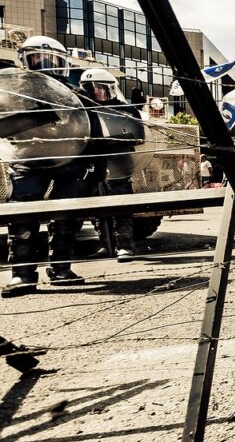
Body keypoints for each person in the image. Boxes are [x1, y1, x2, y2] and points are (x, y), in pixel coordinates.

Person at [3, 36, 95, 297]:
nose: (44, 64)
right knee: (22, 216)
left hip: (71, 159)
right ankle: (22, 275)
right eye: (36, 58)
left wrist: (95, 165)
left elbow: (92, 129)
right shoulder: (13, 91)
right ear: (25, 61)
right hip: (27, 157)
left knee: (66, 216)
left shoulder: (75, 92)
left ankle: (61, 270)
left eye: (51, 59)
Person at [80, 68, 140, 262]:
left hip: (119, 163)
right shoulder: (84, 112)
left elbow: (139, 135)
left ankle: (125, 246)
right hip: (93, 164)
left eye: (99, 87)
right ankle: (106, 244)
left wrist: (113, 141)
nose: (95, 92)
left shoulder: (125, 110)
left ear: (110, 88)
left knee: (121, 206)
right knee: (97, 208)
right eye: (89, 88)